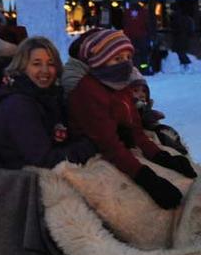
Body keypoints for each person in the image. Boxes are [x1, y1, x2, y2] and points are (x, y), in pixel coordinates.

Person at [64, 28, 196, 210]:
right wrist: (147, 178)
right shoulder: (88, 92)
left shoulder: (120, 84)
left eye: (128, 58)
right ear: (100, 61)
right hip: (92, 154)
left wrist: (161, 156)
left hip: (120, 147)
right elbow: (109, 145)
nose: (125, 64)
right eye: (117, 59)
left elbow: (136, 129)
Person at [0, 36, 96, 169]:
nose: (45, 70)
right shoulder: (18, 105)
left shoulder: (48, 96)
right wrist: (91, 146)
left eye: (50, 64)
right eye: (36, 64)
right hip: (28, 179)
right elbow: (43, 160)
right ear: (22, 67)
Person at [170, 4, 195, 72]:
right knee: (181, 51)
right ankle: (185, 65)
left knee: (180, 52)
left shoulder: (176, 17)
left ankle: (187, 64)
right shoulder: (186, 18)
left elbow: (176, 27)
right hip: (183, 37)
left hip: (180, 37)